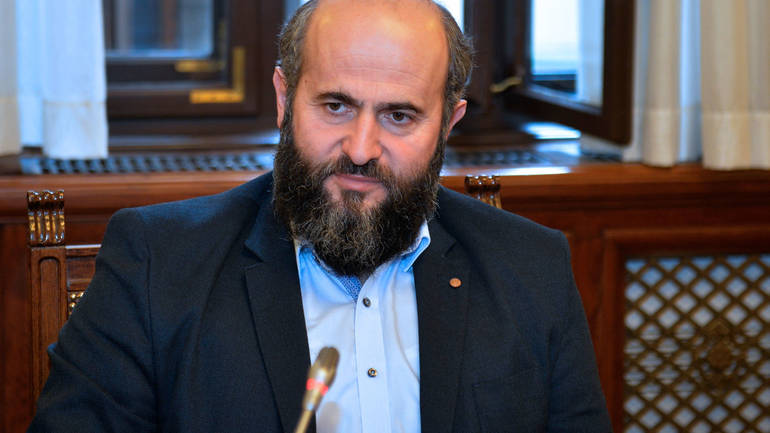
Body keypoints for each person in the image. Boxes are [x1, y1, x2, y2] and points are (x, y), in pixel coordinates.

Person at [30, 0, 612, 432]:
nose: (360, 148)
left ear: (448, 124)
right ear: (285, 99)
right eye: (336, 106)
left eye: (400, 116)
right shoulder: (158, 263)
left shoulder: (530, 265)